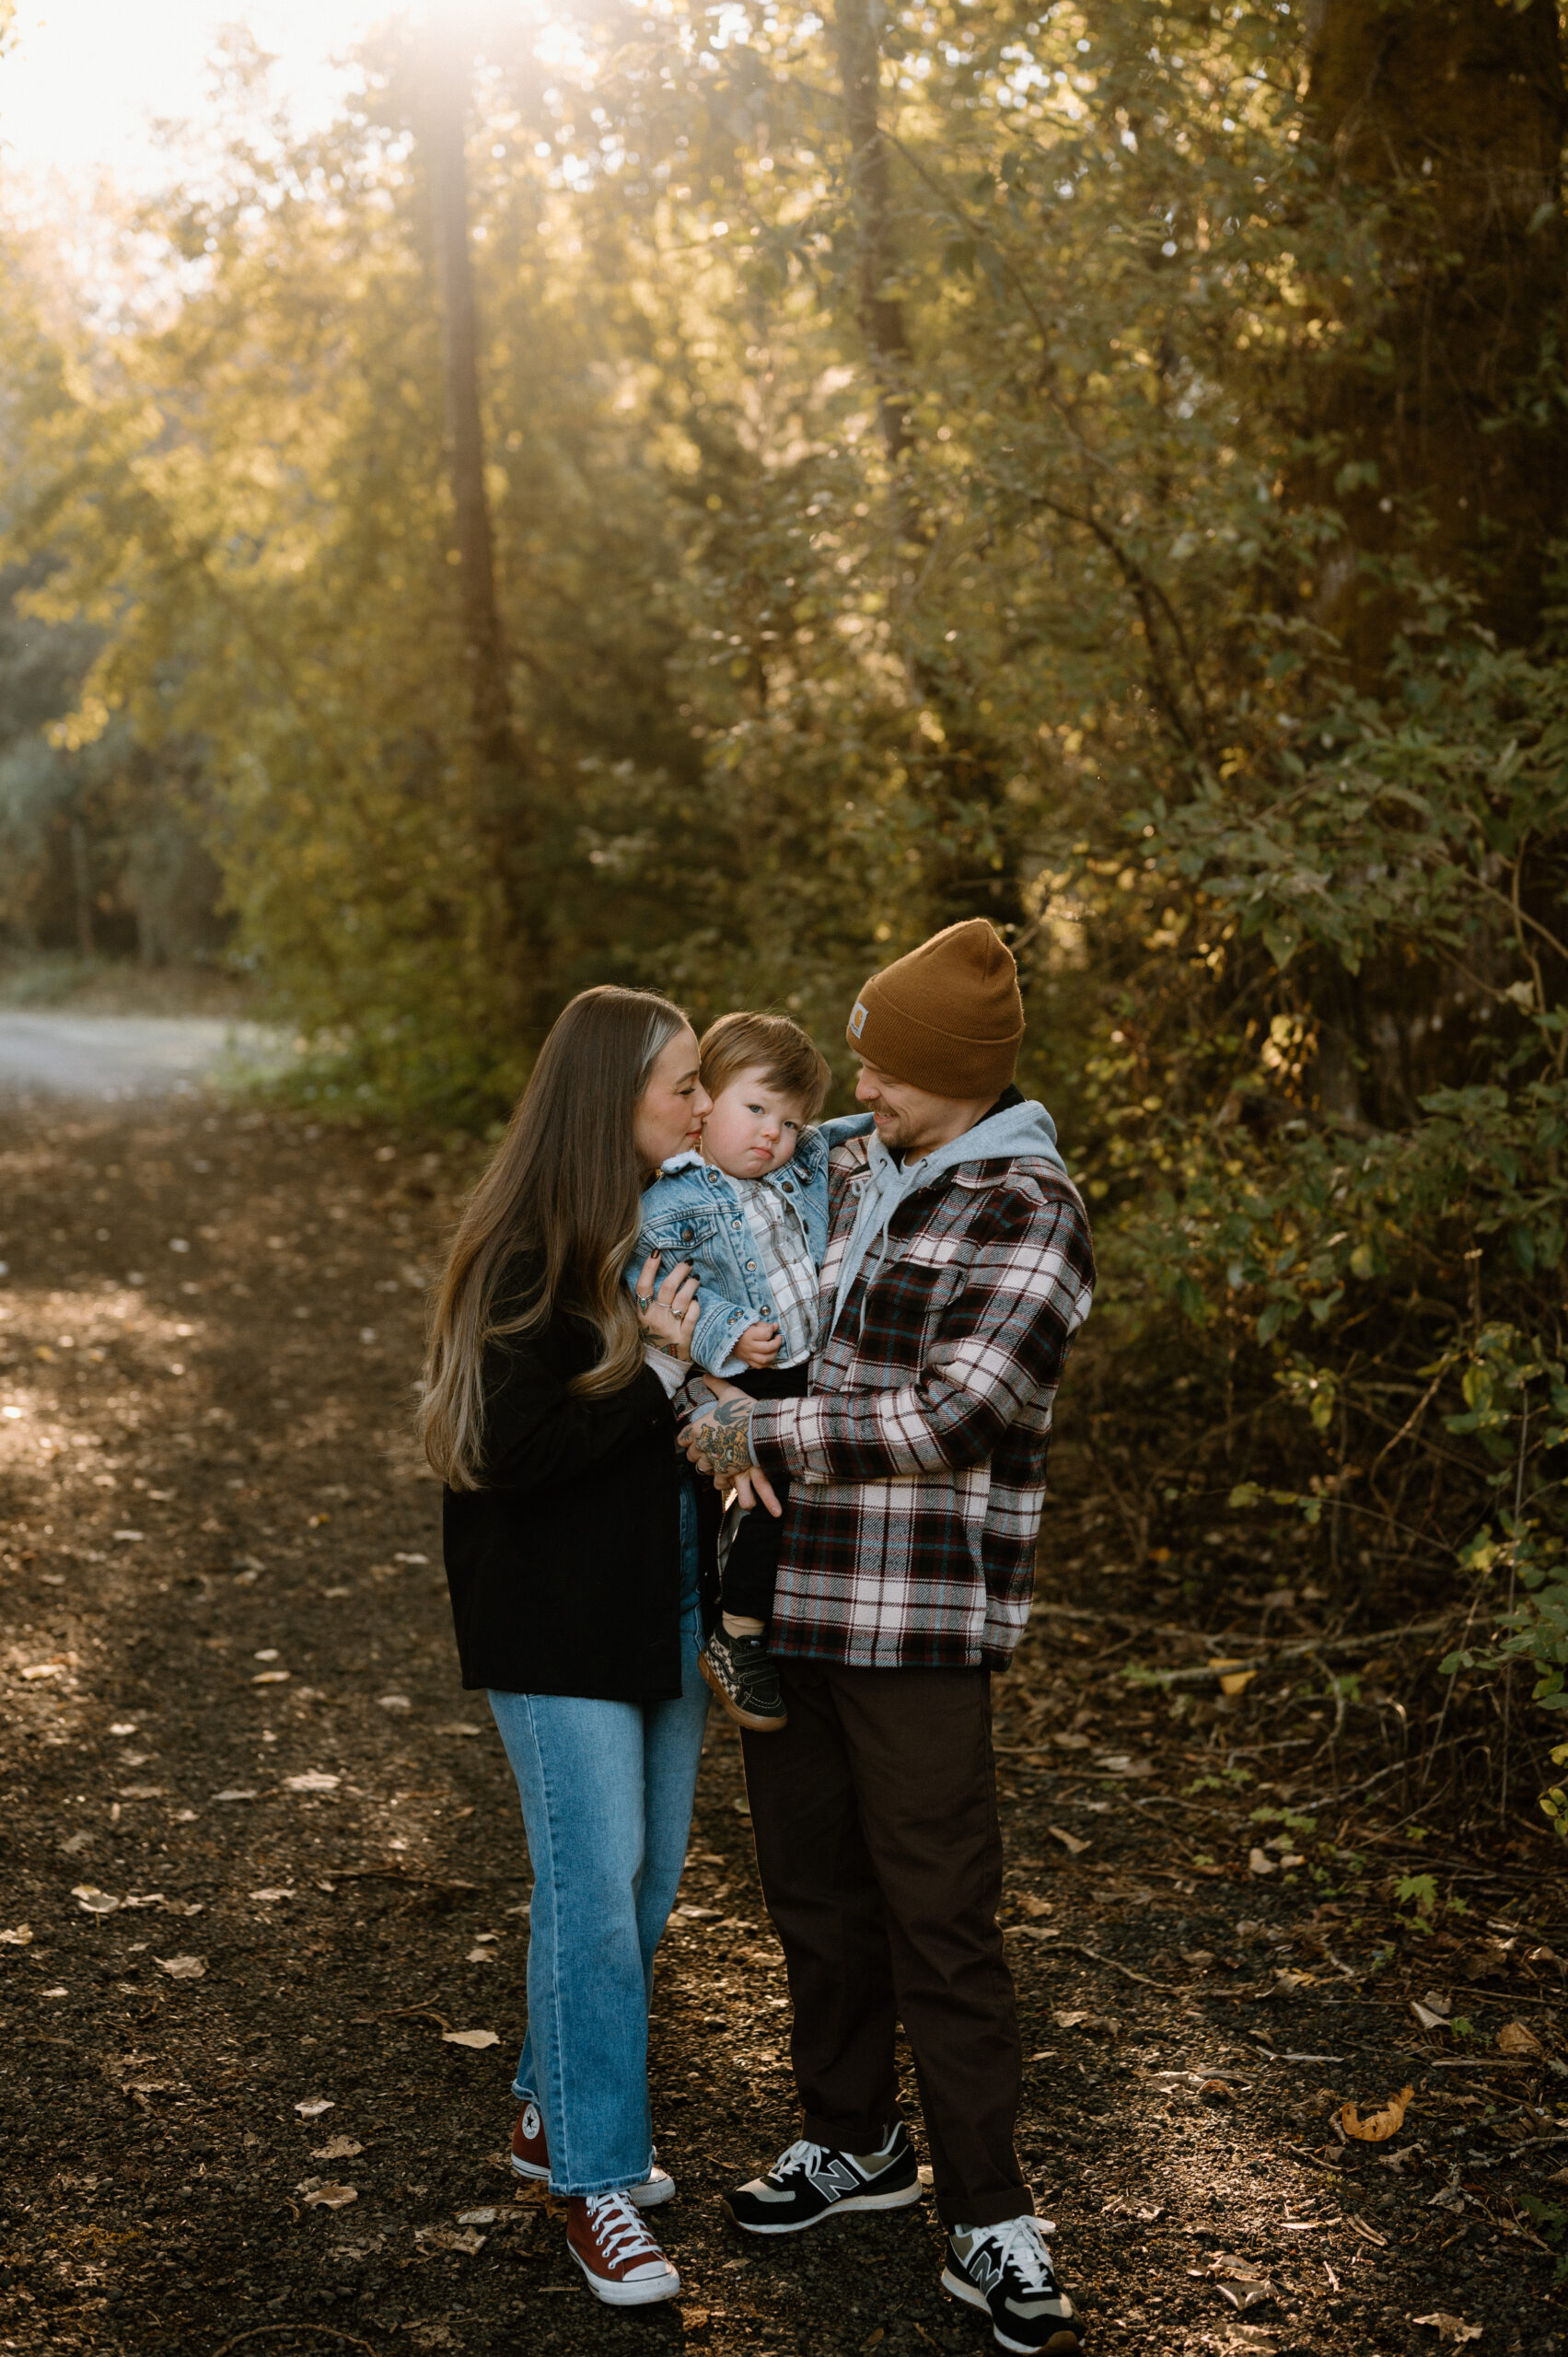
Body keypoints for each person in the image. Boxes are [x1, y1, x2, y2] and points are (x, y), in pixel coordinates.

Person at [679, 922, 1096, 2357]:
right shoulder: (844, 1155)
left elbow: (951, 1413)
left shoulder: (1027, 1209)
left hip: (914, 1613)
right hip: (786, 1593)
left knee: (939, 1907)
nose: (855, 1073)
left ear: (958, 1077)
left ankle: (991, 2214)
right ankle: (849, 2140)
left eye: (881, 1058)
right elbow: (699, 1174)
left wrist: (752, 1424)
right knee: (811, 1890)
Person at [420, 984, 716, 2311]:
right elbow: (505, 1451)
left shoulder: (662, 1229)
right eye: (683, 1086)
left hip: (657, 1607)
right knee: (591, 1897)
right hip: (552, 1626)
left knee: (640, 1892)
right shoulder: (525, 1251)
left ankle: (553, 2102)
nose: (703, 1107)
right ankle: (594, 2182)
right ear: (615, 1100)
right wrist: (654, 1380)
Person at [633, 1010, 870, 1733]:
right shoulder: (671, 1199)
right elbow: (643, 1284)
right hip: (753, 1375)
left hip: (810, 1370)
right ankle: (736, 1632)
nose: (773, 1133)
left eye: (789, 1122)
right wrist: (726, 1334)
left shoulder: (796, 1165)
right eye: (756, 1109)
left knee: (797, 1502)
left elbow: (847, 1131)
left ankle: (763, 1616)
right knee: (766, 1501)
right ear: (704, 1104)